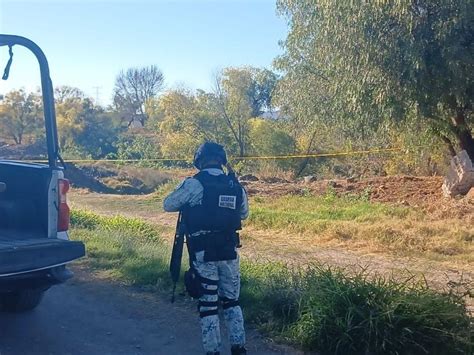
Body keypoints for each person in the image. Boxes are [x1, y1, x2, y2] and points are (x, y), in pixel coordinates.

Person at [163, 142, 248, 355]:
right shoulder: (235, 185)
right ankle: (239, 349)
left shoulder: (194, 184)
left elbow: (168, 204)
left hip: (204, 253)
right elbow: (244, 213)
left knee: (209, 306)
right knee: (232, 302)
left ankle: (213, 351)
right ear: (222, 160)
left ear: (199, 161)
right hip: (230, 252)